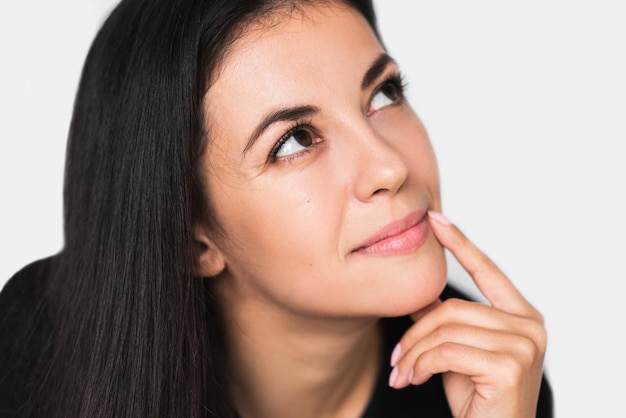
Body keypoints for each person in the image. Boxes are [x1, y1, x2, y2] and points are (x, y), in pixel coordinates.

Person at [0, 0, 553, 417]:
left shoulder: (488, 380)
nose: (391, 168)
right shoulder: (34, 350)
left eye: (383, 94)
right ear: (193, 241)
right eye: (293, 141)